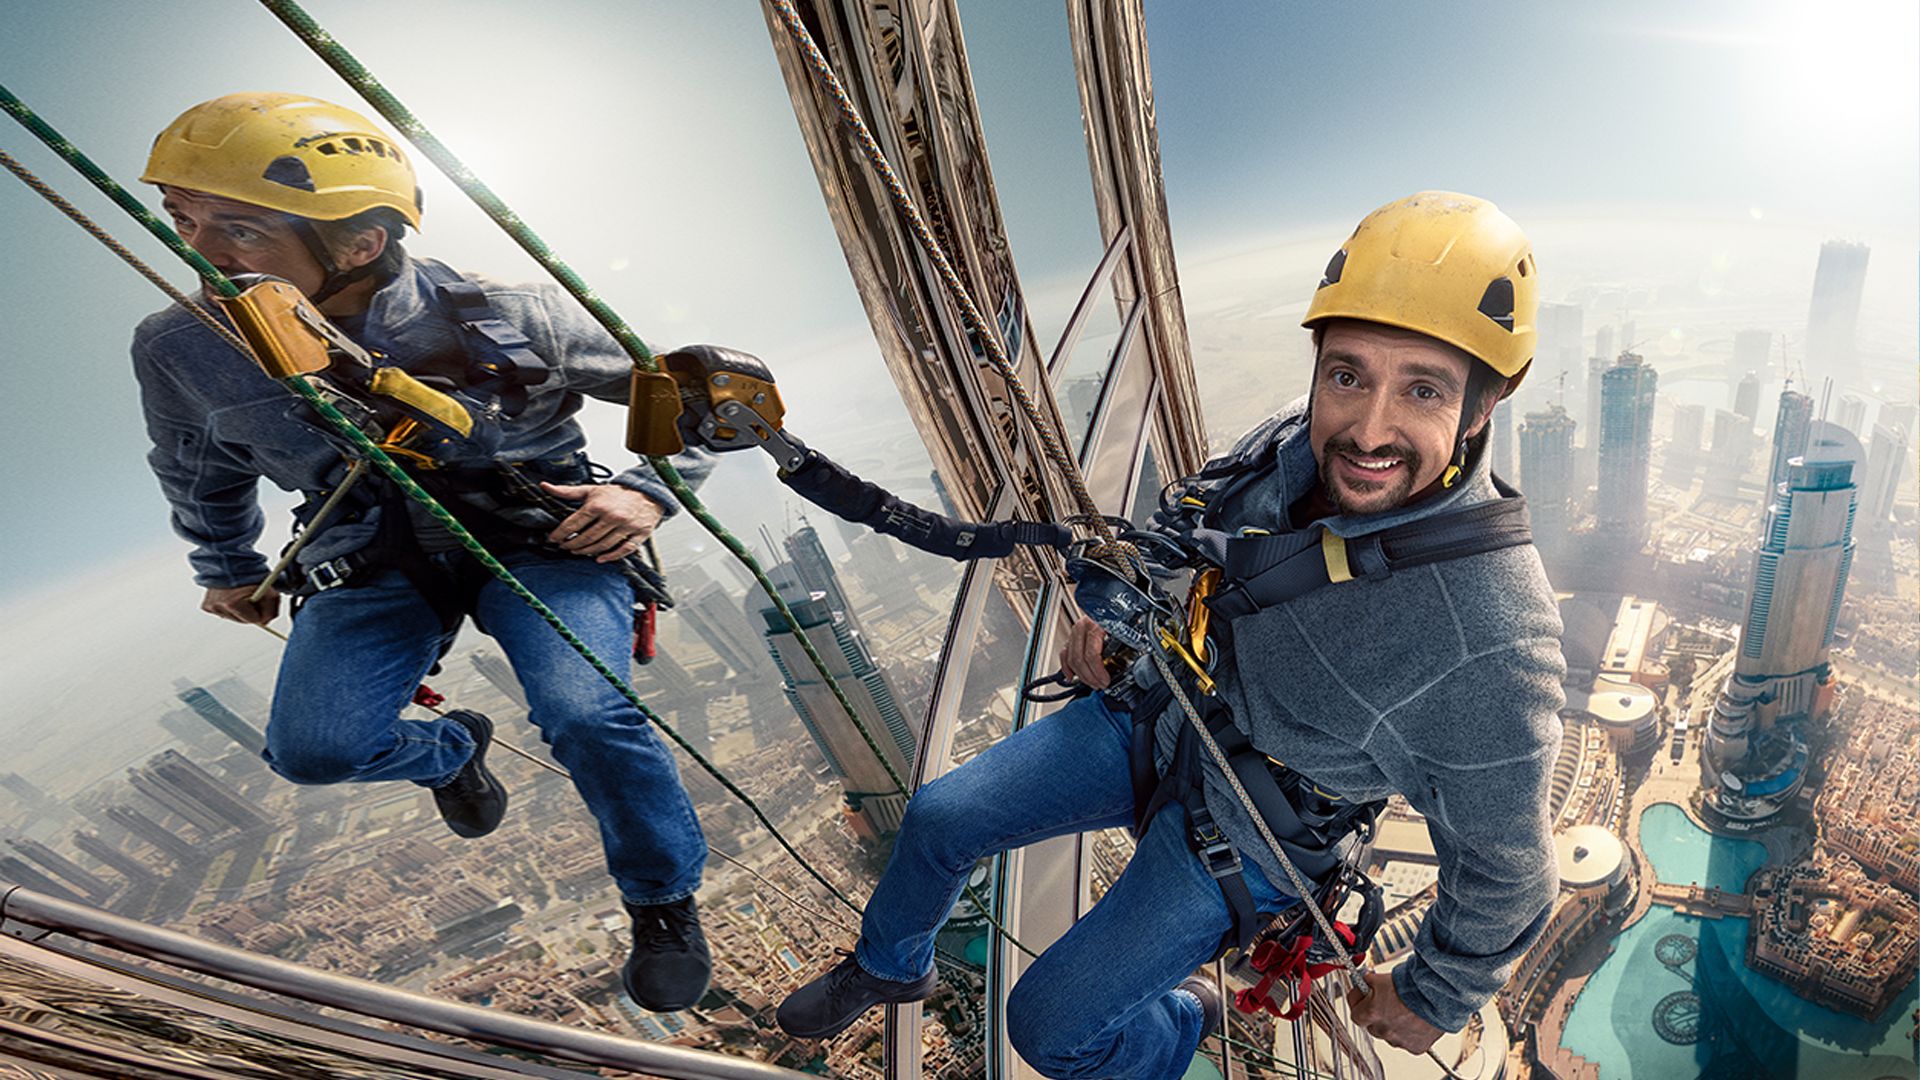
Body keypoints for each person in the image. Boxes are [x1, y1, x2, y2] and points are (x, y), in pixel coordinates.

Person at [777, 192, 1566, 1077]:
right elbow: (1178, 537)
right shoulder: (1287, 452)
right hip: (1160, 711)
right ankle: (891, 966)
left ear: (1483, 406)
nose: (1368, 428)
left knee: (1047, 1030)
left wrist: (1434, 996)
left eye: (1423, 388)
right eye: (1347, 374)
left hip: (1254, 829)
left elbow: (1510, 868)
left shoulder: (1491, 634)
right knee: (937, 818)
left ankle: (1178, 1026)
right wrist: (1112, 616)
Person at [133, 92, 719, 1012]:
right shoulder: (183, 346)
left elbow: (691, 399)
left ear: (359, 243)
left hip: (541, 531)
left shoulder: (514, 315)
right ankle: (450, 752)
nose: (200, 251)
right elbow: (195, 468)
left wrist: (645, 494)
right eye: (185, 219)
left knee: (588, 715)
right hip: (369, 548)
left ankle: (661, 900)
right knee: (312, 750)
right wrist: (228, 567)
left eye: (240, 230)